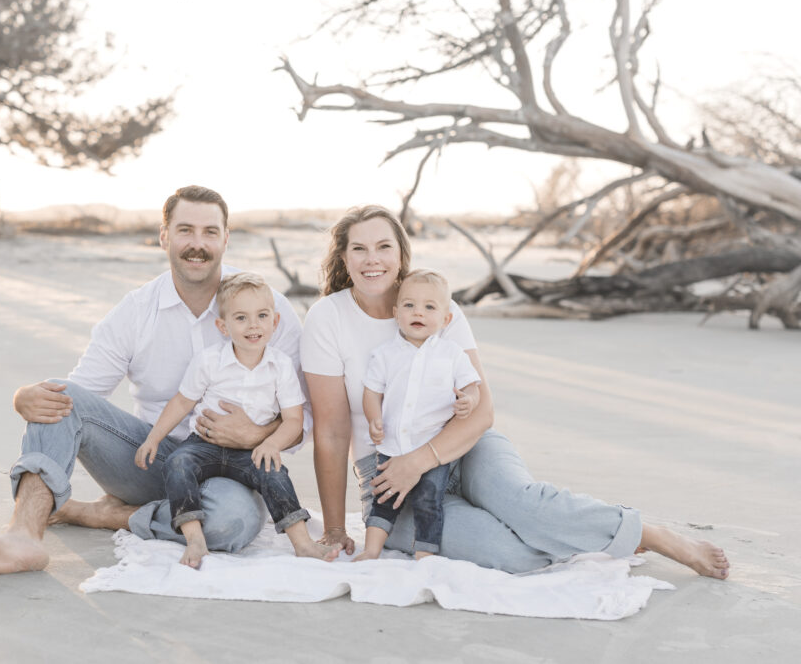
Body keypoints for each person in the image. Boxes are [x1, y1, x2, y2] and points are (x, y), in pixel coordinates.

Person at [301, 205, 730, 579]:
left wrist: (423, 458)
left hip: (463, 447)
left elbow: (482, 409)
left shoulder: (436, 306)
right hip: (390, 478)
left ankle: (650, 534)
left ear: (401, 254)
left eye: (383, 247)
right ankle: (584, 527)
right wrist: (337, 527)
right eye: (359, 248)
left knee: (523, 508)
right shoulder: (327, 319)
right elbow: (334, 433)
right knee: (511, 554)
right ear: (344, 257)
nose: (371, 259)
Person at [0, 186, 307, 574]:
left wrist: (255, 435)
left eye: (210, 232)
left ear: (226, 238)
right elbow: (80, 395)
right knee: (56, 395)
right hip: (147, 460)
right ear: (164, 236)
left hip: (230, 474)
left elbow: (305, 416)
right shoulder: (136, 310)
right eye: (185, 230)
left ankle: (103, 515)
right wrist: (24, 396)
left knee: (231, 523)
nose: (197, 244)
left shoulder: (265, 308)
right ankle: (22, 536)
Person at [135, 272, 340, 568]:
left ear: (275, 321)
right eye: (241, 318)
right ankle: (194, 538)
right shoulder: (209, 361)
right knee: (177, 463)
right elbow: (182, 402)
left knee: (275, 473)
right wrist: (153, 438)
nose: (253, 325)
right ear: (223, 326)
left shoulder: (279, 367)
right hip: (204, 444)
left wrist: (271, 443)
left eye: (262, 315)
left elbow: (294, 419)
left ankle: (303, 543)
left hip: (250, 452)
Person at [354, 269, 481, 562]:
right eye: (409, 305)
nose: (418, 313)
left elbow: (472, 387)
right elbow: (372, 392)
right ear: (397, 313)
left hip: (433, 444)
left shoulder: (451, 354)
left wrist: (468, 402)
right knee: (383, 498)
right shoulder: (385, 354)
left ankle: (425, 552)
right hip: (392, 445)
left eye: (429, 307)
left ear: (446, 319)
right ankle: (371, 550)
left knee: (429, 499)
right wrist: (374, 417)